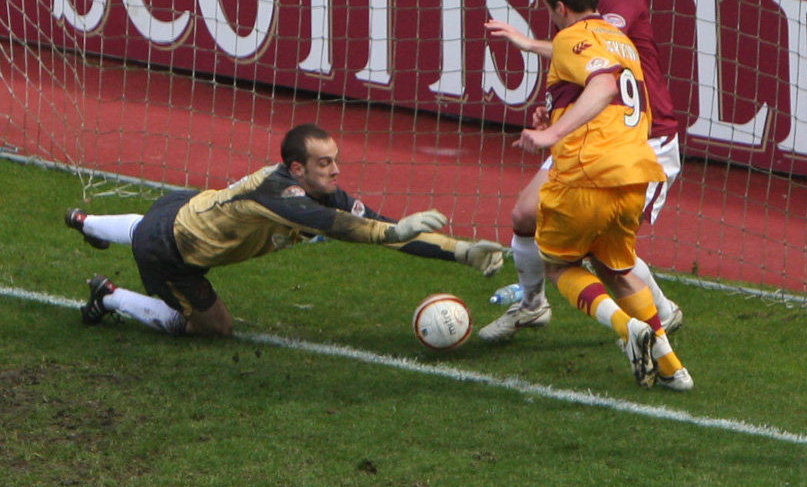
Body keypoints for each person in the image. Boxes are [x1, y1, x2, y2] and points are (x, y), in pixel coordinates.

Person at [66, 124, 504, 337]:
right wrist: (391, 233)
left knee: (154, 224)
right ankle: (109, 295)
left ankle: (88, 222)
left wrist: (460, 251)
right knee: (216, 329)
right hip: (169, 252)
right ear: (297, 169)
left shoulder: (319, 188)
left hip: (180, 208)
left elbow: (381, 226)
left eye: (334, 159)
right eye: (323, 163)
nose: (335, 170)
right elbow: (350, 229)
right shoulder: (282, 198)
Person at [480, 0, 683, 346]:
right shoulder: (572, 6)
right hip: (588, 135)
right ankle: (532, 306)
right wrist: (553, 114)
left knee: (601, 250)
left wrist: (528, 44)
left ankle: (662, 318)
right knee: (524, 215)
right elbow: (582, 75)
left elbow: (604, 60)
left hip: (642, 138)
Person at [513, 0, 693, 391]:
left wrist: (550, 133)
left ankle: (625, 328)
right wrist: (556, 112)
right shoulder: (623, 42)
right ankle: (673, 369)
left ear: (559, 7)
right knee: (618, 269)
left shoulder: (570, 38)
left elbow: (604, 88)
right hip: (634, 174)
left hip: (587, 173)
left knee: (558, 264)